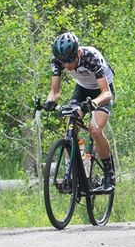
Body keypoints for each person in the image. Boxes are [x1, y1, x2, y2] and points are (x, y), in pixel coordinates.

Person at [45, 32, 117, 188]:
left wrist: (93, 103)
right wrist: (49, 101)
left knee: (95, 130)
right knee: (70, 125)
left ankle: (109, 173)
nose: (67, 66)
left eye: (70, 60)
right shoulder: (58, 61)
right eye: (63, 62)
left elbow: (106, 93)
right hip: (82, 89)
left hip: (102, 91)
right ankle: (71, 173)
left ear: (78, 52)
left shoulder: (91, 57)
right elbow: (55, 92)